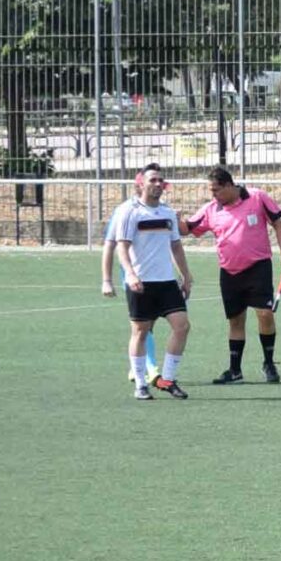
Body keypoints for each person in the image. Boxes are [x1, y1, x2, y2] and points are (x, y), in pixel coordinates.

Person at [184, 166, 281, 383]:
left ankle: (269, 363)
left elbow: (278, 224)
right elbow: (187, 228)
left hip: (258, 266)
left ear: (229, 185)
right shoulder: (211, 209)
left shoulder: (257, 197)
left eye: (216, 190)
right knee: (236, 320)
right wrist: (167, 219)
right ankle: (235, 371)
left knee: (265, 314)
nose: (213, 195)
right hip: (229, 271)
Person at [109, 164, 192, 400]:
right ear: (141, 183)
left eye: (161, 181)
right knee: (141, 331)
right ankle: (140, 384)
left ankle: (167, 379)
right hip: (142, 282)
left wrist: (186, 275)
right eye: (153, 180)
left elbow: (175, 245)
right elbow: (121, 247)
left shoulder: (167, 213)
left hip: (166, 281)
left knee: (182, 326)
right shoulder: (130, 211)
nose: (158, 184)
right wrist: (131, 274)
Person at [101, 163, 163, 383]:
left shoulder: (158, 208)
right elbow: (110, 245)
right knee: (141, 324)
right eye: (149, 182)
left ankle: (138, 364)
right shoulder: (124, 211)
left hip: (157, 276)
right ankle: (152, 368)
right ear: (139, 185)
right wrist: (107, 280)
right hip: (134, 275)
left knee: (148, 324)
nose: (156, 186)